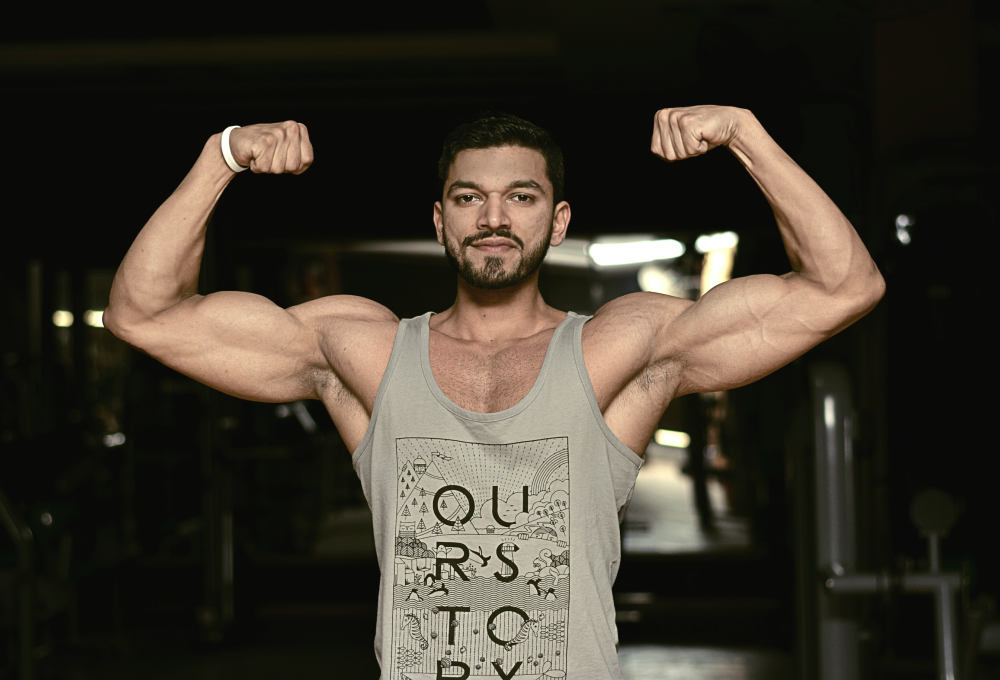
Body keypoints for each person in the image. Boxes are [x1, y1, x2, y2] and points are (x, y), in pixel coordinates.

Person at [105, 107, 884, 679]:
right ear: (440, 221)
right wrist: (222, 156)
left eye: (521, 196)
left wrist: (747, 135)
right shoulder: (361, 350)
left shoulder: (620, 347)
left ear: (558, 218)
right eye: (470, 198)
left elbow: (844, 287)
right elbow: (144, 316)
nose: (494, 218)